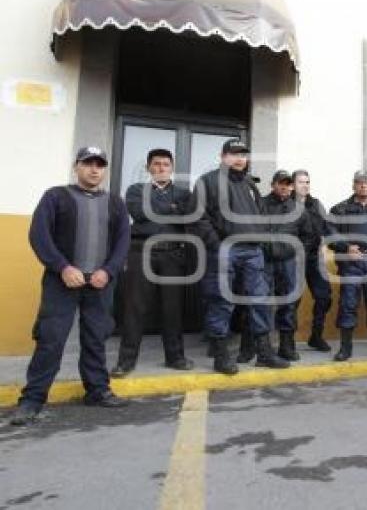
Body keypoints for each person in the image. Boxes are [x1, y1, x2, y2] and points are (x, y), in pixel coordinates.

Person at [10, 147, 131, 425]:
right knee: (50, 339)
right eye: (88, 163)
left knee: (96, 338)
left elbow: (123, 241)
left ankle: (97, 391)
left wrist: (108, 271)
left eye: (99, 165)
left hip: (100, 283)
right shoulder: (56, 196)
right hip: (62, 281)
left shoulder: (115, 202)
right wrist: (62, 267)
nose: (94, 169)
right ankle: (32, 400)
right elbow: (39, 235)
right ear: (76, 167)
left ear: (104, 170)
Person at [190, 139, 288, 374]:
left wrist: (261, 239)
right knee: (221, 301)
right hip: (225, 250)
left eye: (243, 154)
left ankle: (264, 353)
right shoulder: (208, 181)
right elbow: (198, 217)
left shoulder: (249, 184)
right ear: (222, 156)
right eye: (234, 154)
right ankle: (221, 356)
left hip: (253, 251)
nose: (239, 158)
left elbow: (262, 215)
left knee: (260, 300)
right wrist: (217, 244)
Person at [112, 149, 193, 377]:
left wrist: (162, 211)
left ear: (171, 168)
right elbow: (139, 212)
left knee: (173, 308)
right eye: (156, 164)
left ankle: (175, 357)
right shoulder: (136, 190)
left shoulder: (184, 193)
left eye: (165, 164)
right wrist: (172, 209)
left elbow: (188, 216)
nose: (161, 168)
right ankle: (126, 361)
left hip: (173, 255)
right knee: (135, 307)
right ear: (149, 168)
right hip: (142, 252)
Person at [327, 170, 367, 361]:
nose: (363, 185)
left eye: (366, 182)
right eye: (359, 182)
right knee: (347, 304)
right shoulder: (340, 209)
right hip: (351, 265)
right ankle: (345, 348)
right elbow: (330, 233)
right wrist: (345, 247)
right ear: (353, 185)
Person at [262, 169, 313, 362]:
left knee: (289, 304)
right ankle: (260, 347)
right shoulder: (260, 204)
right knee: (261, 303)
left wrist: (297, 254)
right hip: (265, 262)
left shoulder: (299, 209)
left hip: (289, 263)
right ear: (273, 184)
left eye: (288, 184)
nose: (285, 187)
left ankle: (286, 346)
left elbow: (308, 237)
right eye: (281, 183)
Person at [291, 169, 333, 352]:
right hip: (293, 259)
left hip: (315, 258)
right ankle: (287, 340)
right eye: (301, 182)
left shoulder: (315, 204)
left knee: (324, 297)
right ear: (293, 185)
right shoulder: (287, 204)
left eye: (307, 182)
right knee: (292, 301)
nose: (305, 185)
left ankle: (316, 336)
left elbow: (327, 227)